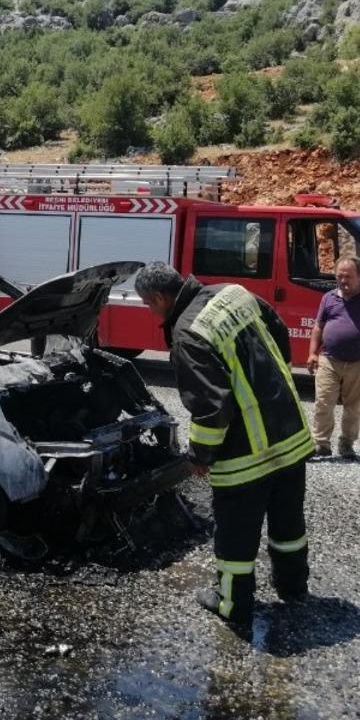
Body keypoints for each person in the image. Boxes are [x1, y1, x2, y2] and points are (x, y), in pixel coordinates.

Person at [135, 262, 315, 629]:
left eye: (148, 305)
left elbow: (210, 405)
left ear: (159, 297)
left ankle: (233, 602)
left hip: (246, 453)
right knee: (288, 519)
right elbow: (278, 333)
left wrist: (200, 456)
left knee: (236, 531)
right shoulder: (232, 292)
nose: (151, 312)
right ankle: (293, 585)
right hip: (290, 431)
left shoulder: (188, 332)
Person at [307, 257, 360, 460]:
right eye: (339, 276)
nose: (343, 281)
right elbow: (319, 326)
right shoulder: (327, 298)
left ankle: (347, 444)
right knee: (323, 403)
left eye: (348, 276)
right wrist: (312, 353)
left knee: (353, 407)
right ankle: (321, 444)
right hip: (329, 359)